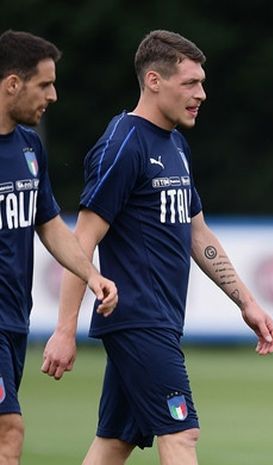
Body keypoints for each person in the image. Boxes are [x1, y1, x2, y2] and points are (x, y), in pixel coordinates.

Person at [40, 30, 273, 465]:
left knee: (114, 443)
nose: (201, 94)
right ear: (154, 80)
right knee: (182, 432)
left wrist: (247, 302)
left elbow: (199, 234)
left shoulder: (176, 144)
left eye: (202, 83)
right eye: (190, 84)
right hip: (137, 320)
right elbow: (82, 241)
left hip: (161, 321)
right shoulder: (123, 143)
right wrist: (63, 329)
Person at [0, 30, 118, 465]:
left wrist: (92, 275)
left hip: (14, 320)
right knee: (8, 430)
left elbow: (49, 226)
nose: (53, 95)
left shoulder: (30, 148)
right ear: (13, 83)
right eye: (44, 84)